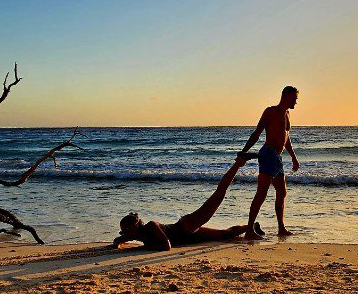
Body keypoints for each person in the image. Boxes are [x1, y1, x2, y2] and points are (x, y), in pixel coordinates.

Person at [113, 156, 261, 251]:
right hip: (188, 237)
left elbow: (166, 246)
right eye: (122, 232)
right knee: (224, 235)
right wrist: (120, 240)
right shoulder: (138, 235)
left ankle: (238, 163)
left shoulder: (151, 226)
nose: (124, 234)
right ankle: (253, 226)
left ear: (135, 226)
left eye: (125, 231)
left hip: (186, 226)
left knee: (218, 195)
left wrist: (138, 248)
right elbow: (118, 241)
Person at [239, 86, 300, 240]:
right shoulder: (270, 111)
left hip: (277, 158)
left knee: (282, 192)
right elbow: (257, 133)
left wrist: (293, 157)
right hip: (268, 154)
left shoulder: (287, 114)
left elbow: (286, 139)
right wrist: (244, 152)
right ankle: (249, 230)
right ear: (286, 96)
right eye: (294, 98)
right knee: (261, 193)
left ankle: (281, 228)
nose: (296, 102)